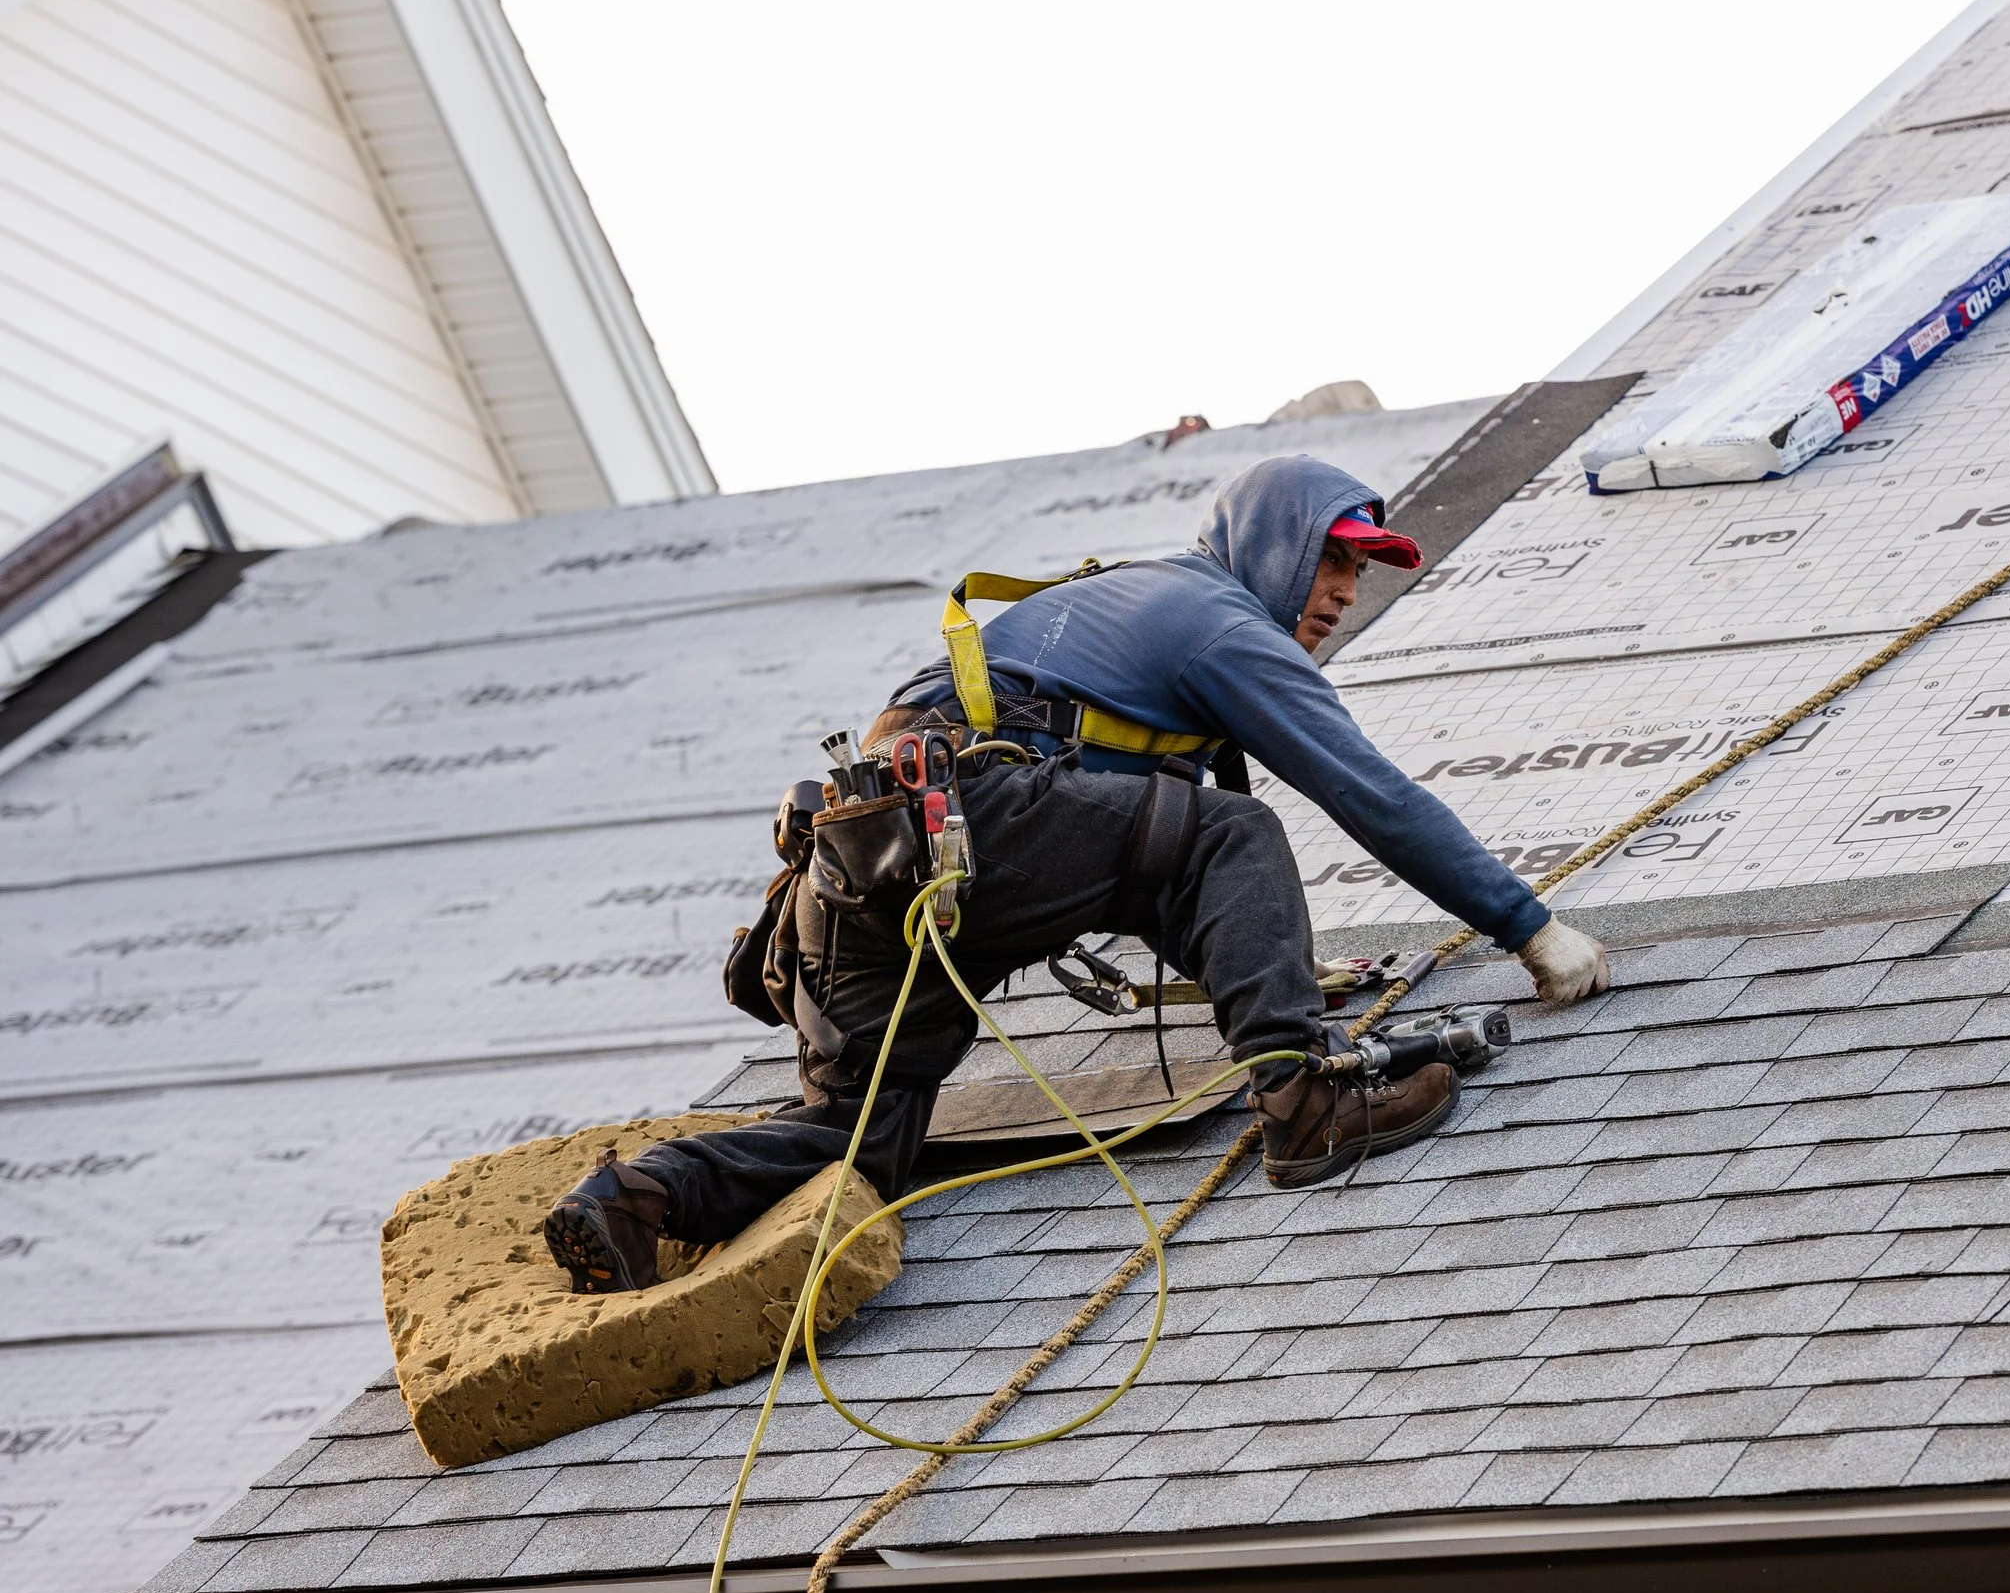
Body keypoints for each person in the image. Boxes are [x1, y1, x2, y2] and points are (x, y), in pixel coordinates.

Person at [542, 455, 1610, 1293]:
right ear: (1274, 543)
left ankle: (635, 1199)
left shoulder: (1117, 605)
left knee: (857, 1151)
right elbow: (1362, 792)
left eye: (1359, 576)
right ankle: (1301, 1105)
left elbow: (1138, 861)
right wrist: (1525, 925)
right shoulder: (1215, 621)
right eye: (1333, 563)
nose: (1342, 595)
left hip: (861, 870)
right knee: (1233, 829)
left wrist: (1273, 983)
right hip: (972, 822)